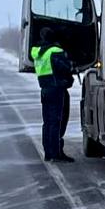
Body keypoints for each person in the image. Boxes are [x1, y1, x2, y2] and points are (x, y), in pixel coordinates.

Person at [31, 28, 75, 163]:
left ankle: (48, 153)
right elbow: (65, 68)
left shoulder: (37, 53)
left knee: (47, 122)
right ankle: (56, 153)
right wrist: (71, 69)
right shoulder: (55, 52)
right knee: (57, 122)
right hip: (56, 89)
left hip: (44, 89)